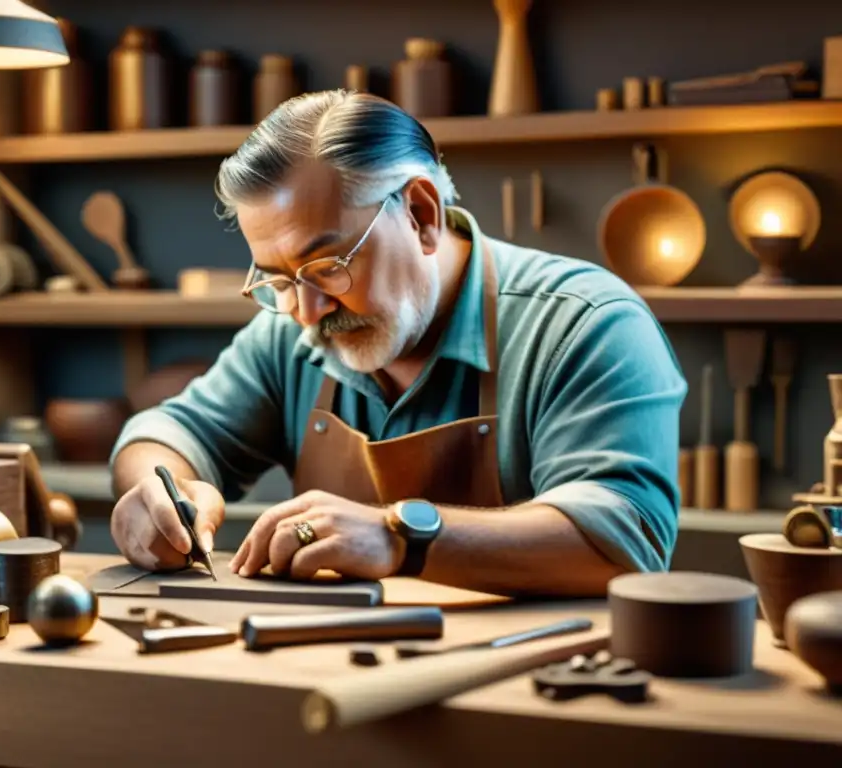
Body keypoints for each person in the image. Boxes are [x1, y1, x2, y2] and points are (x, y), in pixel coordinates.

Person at [108, 90, 687, 598]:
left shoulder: (584, 324)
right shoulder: (292, 331)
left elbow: (625, 535)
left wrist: (399, 536)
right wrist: (161, 493)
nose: (307, 312)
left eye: (329, 266)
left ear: (421, 213)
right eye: (279, 280)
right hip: (330, 674)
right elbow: (168, 432)